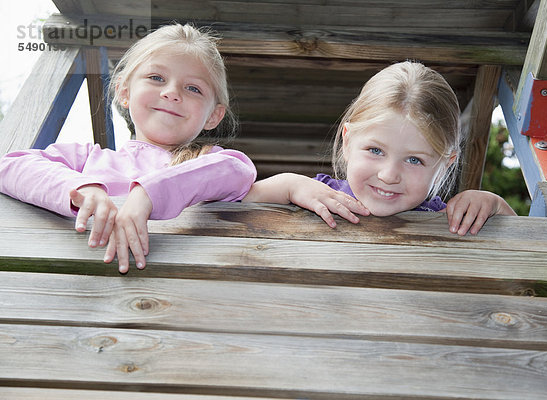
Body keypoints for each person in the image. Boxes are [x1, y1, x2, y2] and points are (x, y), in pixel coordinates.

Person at [0, 24, 256, 273]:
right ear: (124, 91)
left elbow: (237, 169)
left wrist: (147, 194)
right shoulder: (87, 158)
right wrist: (83, 189)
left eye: (193, 88)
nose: (171, 92)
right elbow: (10, 165)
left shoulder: (207, 163)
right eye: (156, 78)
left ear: (214, 115)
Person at [243, 61, 515, 235]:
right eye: (375, 150)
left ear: (445, 164)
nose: (388, 175)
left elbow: (531, 250)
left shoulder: (449, 220)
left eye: (414, 160)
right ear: (347, 142)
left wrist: (496, 206)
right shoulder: (319, 195)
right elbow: (231, 203)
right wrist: (289, 185)